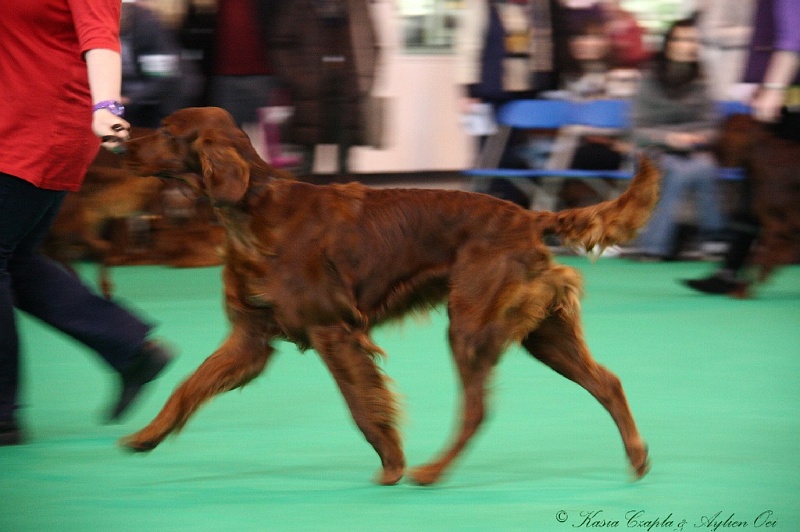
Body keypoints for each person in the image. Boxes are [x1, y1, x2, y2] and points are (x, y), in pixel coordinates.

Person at [0, 0, 173, 446]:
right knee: (18, 260)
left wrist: (107, 106)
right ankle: (131, 350)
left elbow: (100, 36)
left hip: (40, 128)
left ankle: (2, 414)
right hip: (13, 119)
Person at [683, 0, 800, 295]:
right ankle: (730, 270)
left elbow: (793, 38)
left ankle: (731, 270)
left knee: (764, 192)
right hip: (783, 99)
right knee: (760, 192)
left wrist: (773, 90)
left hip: (789, 103)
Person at [627, 16, 726, 261]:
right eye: (681, 39)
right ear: (668, 44)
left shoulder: (702, 80)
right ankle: (656, 245)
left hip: (692, 150)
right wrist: (668, 138)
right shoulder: (648, 79)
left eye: (692, 40)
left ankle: (709, 240)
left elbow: (712, 126)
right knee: (677, 169)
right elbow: (636, 130)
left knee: (705, 166)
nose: (687, 45)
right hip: (652, 148)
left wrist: (697, 137)